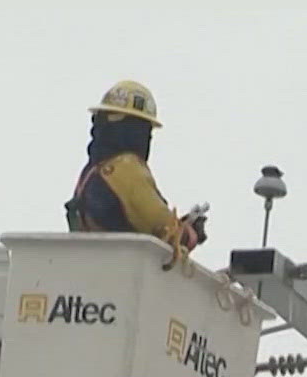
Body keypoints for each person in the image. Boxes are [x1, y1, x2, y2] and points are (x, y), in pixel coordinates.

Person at [65, 80, 206, 257]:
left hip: (94, 268)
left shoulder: (93, 172)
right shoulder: (126, 169)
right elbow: (161, 226)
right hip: (121, 273)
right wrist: (189, 233)